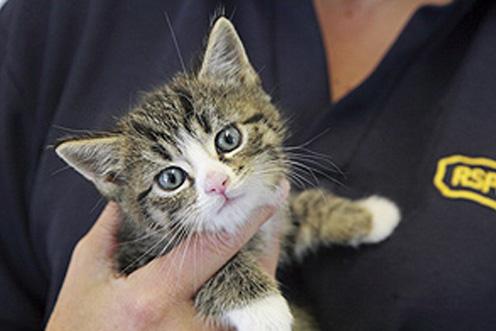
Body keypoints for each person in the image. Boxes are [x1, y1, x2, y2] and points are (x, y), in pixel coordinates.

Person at [1, 0, 496, 330]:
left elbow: (277, 221)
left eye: (226, 139)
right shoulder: (59, 20)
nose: (216, 180)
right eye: (173, 178)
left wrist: (334, 218)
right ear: (114, 181)